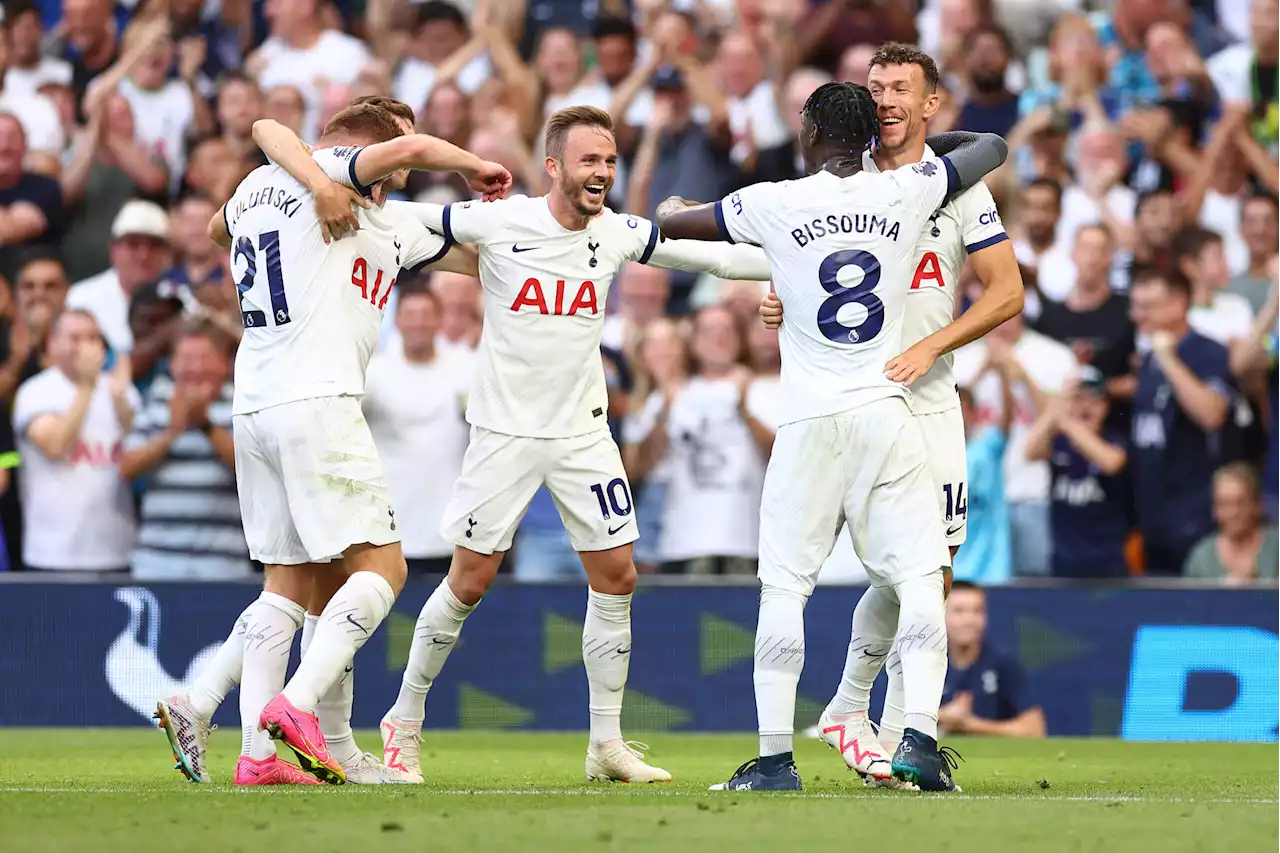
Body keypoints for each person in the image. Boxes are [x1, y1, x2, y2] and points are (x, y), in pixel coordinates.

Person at [258, 104, 775, 784]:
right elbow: (400, 215)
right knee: (468, 582)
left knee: (619, 575)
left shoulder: (616, 232)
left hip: (584, 434)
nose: (602, 173)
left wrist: (780, 270)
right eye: (590, 160)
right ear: (554, 166)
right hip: (504, 434)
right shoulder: (500, 222)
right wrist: (325, 189)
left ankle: (606, 744)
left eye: (611, 161)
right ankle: (403, 719)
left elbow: (705, 254)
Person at [658, 80, 1008, 792]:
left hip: (810, 418)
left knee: (786, 586)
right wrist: (916, 157)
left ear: (811, 131)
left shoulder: (775, 199)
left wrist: (673, 211)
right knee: (919, 579)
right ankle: (917, 739)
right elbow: (990, 149)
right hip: (887, 407)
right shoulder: (909, 193)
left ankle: (775, 759)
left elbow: (685, 227)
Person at [153, 100, 508, 788]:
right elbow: (274, 130)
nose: (399, 173)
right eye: (393, 156)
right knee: (383, 570)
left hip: (254, 404)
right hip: (318, 399)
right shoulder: (330, 174)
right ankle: (297, 707)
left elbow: (213, 220)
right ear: (360, 148)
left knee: (291, 585)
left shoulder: (309, 202)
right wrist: (473, 165)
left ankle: (239, 739)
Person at [759, 42, 1024, 779]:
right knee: (905, 571)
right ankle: (894, 732)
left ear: (931, 103)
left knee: (928, 575)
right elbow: (789, 258)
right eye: (875, 86)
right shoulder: (839, 182)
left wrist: (933, 344)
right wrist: (780, 301)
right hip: (851, 402)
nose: (886, 99)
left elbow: (1007, 292)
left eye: (901, 87)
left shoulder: (956, 188)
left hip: (929, 400)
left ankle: (862, 713)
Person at [12, 310, 138, 572]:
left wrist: (121, 403)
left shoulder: (120, 389)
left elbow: (138, 450)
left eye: (93, 337)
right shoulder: (35, 392)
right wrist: (87, 386)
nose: (86, 346)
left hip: (116, 550)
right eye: (75, 338)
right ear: (53, 343)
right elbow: (56, 447)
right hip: (53, 553)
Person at [119, 324, 248, 580]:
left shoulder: (242, 403)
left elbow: (252, 469)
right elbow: (126, 467)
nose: (195, 368)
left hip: (223, 567)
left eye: (204, 358)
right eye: (187, 359)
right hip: (156, 563)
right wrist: (171, 433)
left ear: (223, 364)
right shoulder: (156, 400)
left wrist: (205, 425)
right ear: (173, 365)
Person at [1130, 267, 1236, 575]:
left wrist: (1169, 359)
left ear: (1178, 304)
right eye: (1135, 306)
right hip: (1152, 518)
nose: (1137, 315)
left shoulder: (1207, 351)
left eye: (1147, 306)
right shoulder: (1149, 358)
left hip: (1195, 517)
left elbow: (1212, 414)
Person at [363, 283, 471, 575]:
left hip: (452, 533)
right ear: (397, 321)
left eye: (426, 314)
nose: (419, 322)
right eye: (410, 314)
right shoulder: (374, 374)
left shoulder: (467, 368)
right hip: (391, 532)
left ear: (439, 319)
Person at [1025, 366, 1133, 579]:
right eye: (1078, 399)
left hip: (1107, 564)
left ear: (1105, 406)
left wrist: (1066, 421)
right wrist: (1055, 408)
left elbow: (1111, 462)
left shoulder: (1116, 440)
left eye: (1094, 399)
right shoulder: (1059, 442)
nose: (1086, 406)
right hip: (1065, 563)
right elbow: (1031, 451)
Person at [939, 581, 1047, 738]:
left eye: (977, 611)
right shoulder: (923, 662)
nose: (969, 620)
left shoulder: (1003, 663)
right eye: (959, 611)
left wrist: (970, 725)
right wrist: (942, 716)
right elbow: (895, 721)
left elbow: (1035, 730)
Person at [1184, 462, 1280, 584]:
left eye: (1241, 503)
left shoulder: (1277, 545)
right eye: (1224, 504)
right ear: (1214, 509)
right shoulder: (1201, 557)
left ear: (1257, 505)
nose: (1233, 512)